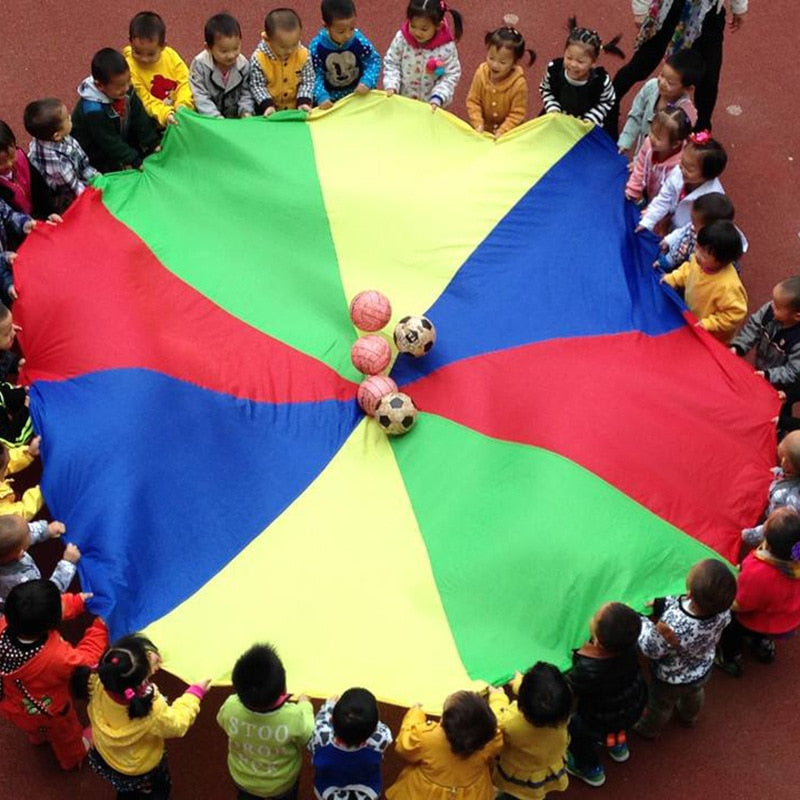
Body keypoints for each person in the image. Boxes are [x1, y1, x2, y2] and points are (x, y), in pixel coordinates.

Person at [73, 633, 210, 799]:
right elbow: (177, 724)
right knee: (157, 790)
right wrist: (195, 694)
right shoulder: (151, 711)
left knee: (127, 791)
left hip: (106, 756)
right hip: (141, 768)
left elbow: (126, 674)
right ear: (142, 680)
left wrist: (144, 665)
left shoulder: (97, 681)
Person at [0, 580, 107, 769]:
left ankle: (37, 737)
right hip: (52, 713)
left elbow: (43, 612)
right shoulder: (57, 657)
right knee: (66, 736)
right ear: (52, 623)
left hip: (13, 704)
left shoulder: (6, 624)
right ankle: (73, 758)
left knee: (33, 726)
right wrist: (101, 627)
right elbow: (87, 657)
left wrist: (77, 601)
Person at [609, 0, 749, 135]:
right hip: (672, 9)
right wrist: (641, 8)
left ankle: (702, 128)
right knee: (641, 66)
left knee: (709, 78)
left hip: (709, 15)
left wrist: (739, 6)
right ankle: (609, 106)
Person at [634, 558, 737, 738]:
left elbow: (652, 648)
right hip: (702, 667)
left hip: (670, 678)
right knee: (694, 694)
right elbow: (682, 603)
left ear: (689, 594)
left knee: (661, 705)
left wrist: (641, 622)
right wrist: (661, 603)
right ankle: (689, 716)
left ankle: (649, 729)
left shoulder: (675, 624)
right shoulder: (723, 611)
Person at [564, 603, 647, 788]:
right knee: (618, 726)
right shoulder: (631, 647)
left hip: (597, 719)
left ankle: (589, 769)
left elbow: (570, 688)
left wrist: (578, 655)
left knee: (578, 733)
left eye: (594, 617)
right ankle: (617, 744)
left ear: (599, 641)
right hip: (632, 706)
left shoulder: (589, 669)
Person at [217, 643, 314, 799]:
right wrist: (305, 705)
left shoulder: (230, 706)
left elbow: (222, 721)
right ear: (284, 689)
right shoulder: (293, 716)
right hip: (281, 785)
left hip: (243, 780)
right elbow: (309, 734)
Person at [717, 508, 800, 675]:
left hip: (757, 619)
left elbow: (742, 604)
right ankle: (762, 645)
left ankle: (729, 657)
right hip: (787, 620)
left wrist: (725, 601)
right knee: (763, 631)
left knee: (731, 627)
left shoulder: (758, 571)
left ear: (767, 541)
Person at [387, 690, 503, 799]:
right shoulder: (490, 738)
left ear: (445, 722)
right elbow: (499, 721)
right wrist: (498, 698)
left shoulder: (427, 738)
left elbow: (404, 746)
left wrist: (415, 713)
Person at [489, 662, 571, 799]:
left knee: (516, 794)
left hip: (521, 773)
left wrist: (498, 697)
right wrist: (519, 684)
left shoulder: (512, 723)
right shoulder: (562, 716)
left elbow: (498, 717)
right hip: (549, 763)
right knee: (539, 787)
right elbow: (543, 698)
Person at [72, 48, 161, 174]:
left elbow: (139, 116)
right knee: (113, 168)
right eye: (120, 86)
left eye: (128, 81)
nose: (126, 88)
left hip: (116, 131)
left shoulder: (124, 89)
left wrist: (152, 142)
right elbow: (108, 141)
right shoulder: (93, 110)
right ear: (99, 86)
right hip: (95, 150)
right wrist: (133, 160)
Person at [731, 277, 800, 433]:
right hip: (763, 369)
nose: (771, 306)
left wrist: (769, 375)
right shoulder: (770, 311)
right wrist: (739, 346)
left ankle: (779, 431)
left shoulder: (797, 340)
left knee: (777, 410)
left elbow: (793, 371)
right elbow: (753, 327)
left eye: (777, 307)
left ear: (797, 316)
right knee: (754, 400)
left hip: (780, 387)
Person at [661, 219, 746, 343]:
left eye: (704, 253)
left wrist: (709, 324)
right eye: (697, 246)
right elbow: (687, 271)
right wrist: (672, 279)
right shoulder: (699, 262)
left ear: (721, 261)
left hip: (713, 336)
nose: (697, 253)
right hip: (695, 319)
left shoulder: (728, 286)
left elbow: (735, 313)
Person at [310, 687, 393, 800]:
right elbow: (382, 729)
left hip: (327, 791)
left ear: (331, 720)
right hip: (368, 791)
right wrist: (368, 721)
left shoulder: (321, 738)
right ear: (374, 730)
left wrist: (329, 706)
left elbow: (321, 721)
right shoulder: (379, 741)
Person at [539, 17, 625, 127]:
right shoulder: (554, 69)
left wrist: (591, 118)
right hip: (556, 119)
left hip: (585, 126)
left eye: (580, 61)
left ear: (593, 63)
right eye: (569, 58)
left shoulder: (600, 81)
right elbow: (545, 89)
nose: (573, 64)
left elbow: (607, 101)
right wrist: (553, 108)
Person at [617, 48, 701, 156]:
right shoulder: (651, 86)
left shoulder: (685, 114)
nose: (662, 83)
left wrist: (643, 163)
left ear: (688, 89)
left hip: (660, 165)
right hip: (642, 155)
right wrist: (625, 141)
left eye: (670, 83)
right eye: (661, 75)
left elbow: (675, 149)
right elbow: (636, 114)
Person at [638, 132, 727, 232]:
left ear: (707, 176)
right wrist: (648, 220)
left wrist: (671, 240)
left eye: (689, 168)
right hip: (673, 223)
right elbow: (664, 198)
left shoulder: (711, 201)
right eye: (682, 162)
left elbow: (696, 229)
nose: (681, 168)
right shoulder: (678, 173)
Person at [383, 0, 463, 110]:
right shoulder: (402, 39)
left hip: (431, 106)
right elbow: (392, 62)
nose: (417, 32)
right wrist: (392, 85)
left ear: (439, 26)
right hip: (403, 101)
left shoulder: (446, 48)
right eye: (413, 26)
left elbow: (450, 75)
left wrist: (439, 96)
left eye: (424, 29)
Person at [24, 98, 99, 214]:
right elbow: (72, 187)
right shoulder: (55, 162)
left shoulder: (55, 137)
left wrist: (94, 176)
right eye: (66, 119)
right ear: (57, 135)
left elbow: (81, 161)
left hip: (73, 177)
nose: (70, 117)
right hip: (63, 194)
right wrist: (91, 195)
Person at [466, 15, 534, 136]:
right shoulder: (481, 73)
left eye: (502, 62)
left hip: (509, 134)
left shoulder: (518, 84)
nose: (495, 65)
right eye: (491, 58)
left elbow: (517, 113)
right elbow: (473, 101)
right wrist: (478, 123)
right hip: (482, 130)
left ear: (514, 63)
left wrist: (502, 131)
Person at [123, 11, 194, 127]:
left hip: (180, 110)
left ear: (163, 46)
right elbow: (144, 99)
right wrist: (166, 114)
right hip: (152, 119)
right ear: (130, 42)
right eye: (137, 52)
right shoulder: (129, 67)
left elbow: (185, 81)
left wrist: (183, 105)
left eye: (151, 54)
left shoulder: (170, 55)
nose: (144, 59)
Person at [309, 0, 381, 109]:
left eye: (351, 28)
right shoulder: (317, 47)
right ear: (326, 26)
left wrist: (367, 81)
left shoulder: (358, 40)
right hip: (331, 101)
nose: (348, 35)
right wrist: (321, 96)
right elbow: (313, 74)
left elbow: (373, 61)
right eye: (341, 32)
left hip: (358, 95)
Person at [0, 513, 77, 608]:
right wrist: (68, 563)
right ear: (21, 552)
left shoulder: (7, 548)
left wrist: (47, 530)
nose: (30, 530)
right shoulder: (24, 580)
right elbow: (47, 595)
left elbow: (20, 535)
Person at [249, 8, 315, 116]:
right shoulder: (259, 59)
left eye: (294, 44)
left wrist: (303, 101)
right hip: (269, 111)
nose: (289, 51)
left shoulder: (303, 54)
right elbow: (257, 86)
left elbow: (308, 81)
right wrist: (267, 105)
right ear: (267, 39)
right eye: (283, 47)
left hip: (296, 109)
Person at [740, 431, 800, 548]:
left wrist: (749, 535)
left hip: (779, 538)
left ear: (785, 463)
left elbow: (776, 526)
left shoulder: (785, 498)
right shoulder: (791, 475)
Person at [190, 13, 254, 119]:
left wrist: (246, 112)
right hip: (208, 118)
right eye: (224, 51)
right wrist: (215, 117)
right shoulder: (200, 65)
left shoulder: (243, 65)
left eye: (236, 48)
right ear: (208, 48)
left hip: (235, 118)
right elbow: (199, 95)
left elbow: (246, 92)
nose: (231, 55)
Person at [625, 106, 690, 208]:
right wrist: (634, 188)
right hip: (650, 190)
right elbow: (641, 165)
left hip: (664, 205)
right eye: (652, 131)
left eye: (658, 138)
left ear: (676, 144)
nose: (651, 138)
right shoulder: (649, 143)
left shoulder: (679, 167)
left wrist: (651, 212)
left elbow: (669, 198)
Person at [656, 191, 737, 272]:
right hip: (683, 261)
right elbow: (683, 231)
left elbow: (682, 254)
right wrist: (669, 240)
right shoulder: (695, 228)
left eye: (695, 223)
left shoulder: (714, 248)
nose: (692, 226)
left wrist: (668, 262)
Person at [0, 120, 56, 221]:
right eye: (0, 163)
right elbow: (9, 219)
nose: (9, 164)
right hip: (22, 228)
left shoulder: (21, 158)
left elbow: (40, 187)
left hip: (39, 216)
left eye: (12, 156)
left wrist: (49, 213)